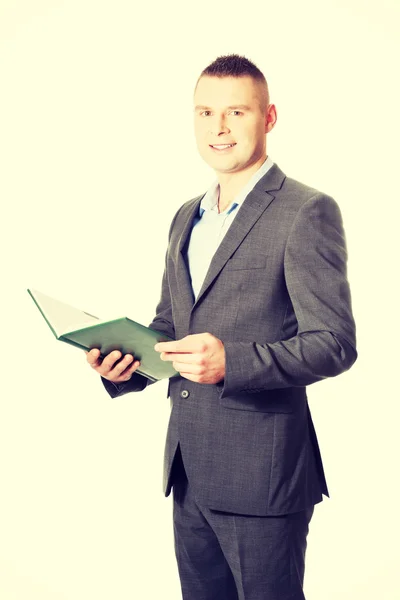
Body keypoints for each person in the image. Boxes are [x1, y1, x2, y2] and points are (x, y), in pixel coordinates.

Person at [86, 54, 357, 600]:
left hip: (264, 476)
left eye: (236, 111)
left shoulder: (306, 210)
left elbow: (334, 344)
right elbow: (171, 325)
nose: (219, 127)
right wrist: (125, 364)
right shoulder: (186, 215)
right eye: (205, 112)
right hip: (189, 472)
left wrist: (232, 361)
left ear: (270, 117)